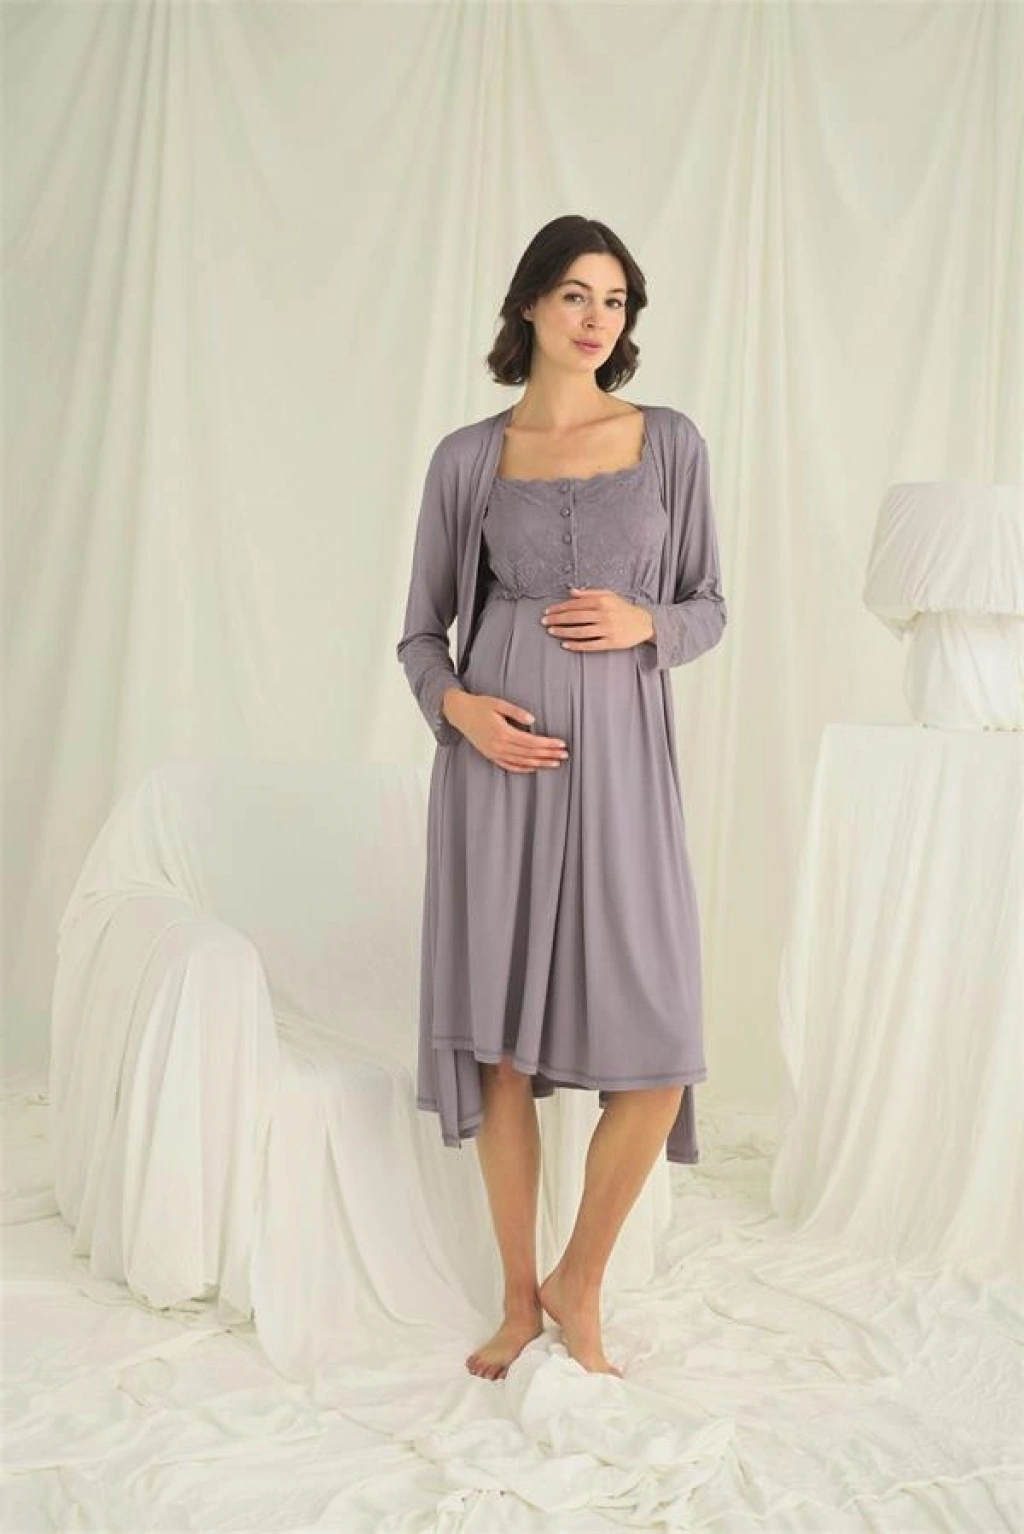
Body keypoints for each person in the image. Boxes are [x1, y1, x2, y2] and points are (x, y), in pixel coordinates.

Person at [396, 214, 727, 1381]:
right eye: (577, 294)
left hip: (624, 773)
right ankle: (513, 1299)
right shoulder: (468, 458)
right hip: (496, 778)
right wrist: (461, 711)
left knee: (659, 1051)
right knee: (501, 1050)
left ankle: (576, 1280)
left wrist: (648, 621)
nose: (596, 318)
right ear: (530, 302)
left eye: (615, 300)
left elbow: (709, 604)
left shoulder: (668, 441)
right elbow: (420, 635)